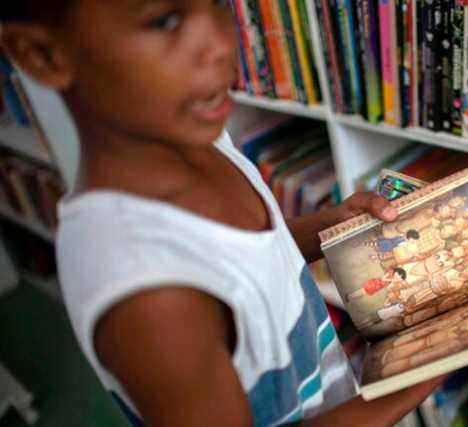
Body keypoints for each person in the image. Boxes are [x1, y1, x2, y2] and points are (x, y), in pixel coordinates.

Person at [0, 1, 441, 426]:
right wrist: (419, 373)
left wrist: (325, 229)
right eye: (165, 20)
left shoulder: (197, 139)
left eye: (216, 2)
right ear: (41, 55)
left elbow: (245, 264)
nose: (221, 45)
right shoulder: (149, 295)